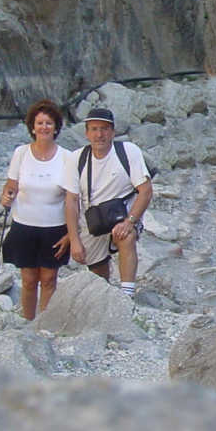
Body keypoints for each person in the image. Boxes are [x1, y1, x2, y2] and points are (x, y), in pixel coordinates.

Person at [62, 108, 153, 298]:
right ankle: (105, 298)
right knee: (98, 270)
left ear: (112, 131)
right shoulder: (75, 159)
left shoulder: (128, 152)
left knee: (125, 236)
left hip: (123, 215)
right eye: (94, 129)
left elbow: (145, 190)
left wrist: (130, 221)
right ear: (86, 133)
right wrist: (74, 239)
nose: (99, 134)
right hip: (92, 221)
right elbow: (71, 201)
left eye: (104, 129)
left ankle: (127, 296)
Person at [0, 99, 71, 320]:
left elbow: (72, 199)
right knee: (29, 279)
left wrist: (71, 234)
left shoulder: (67, 157)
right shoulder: (21, 153)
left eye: (49, 123)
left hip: (55, 227)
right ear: (32, 127)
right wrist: (6, 196)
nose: (44, 127)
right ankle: (28, 322)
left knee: (49, 279)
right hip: (24, 226)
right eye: (40, 123)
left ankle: (45, 324)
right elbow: (11, 185)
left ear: (56, 127)